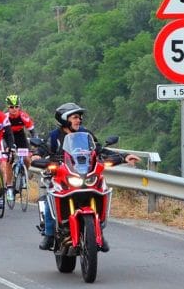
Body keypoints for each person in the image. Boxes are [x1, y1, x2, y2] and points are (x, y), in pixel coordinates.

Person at [37, 102, 139, 251]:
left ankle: (98, 232)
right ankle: (49, 234)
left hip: (84, 174)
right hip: (62, 175)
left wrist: (124, 157)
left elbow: (100, 150)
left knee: (101, 188)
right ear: (65, 119)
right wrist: (36, 157)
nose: (79, 121)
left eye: (79, 118)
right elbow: (42, 149)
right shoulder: (54, 136)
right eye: (75, 117)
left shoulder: (86, 134)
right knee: (50, 197)